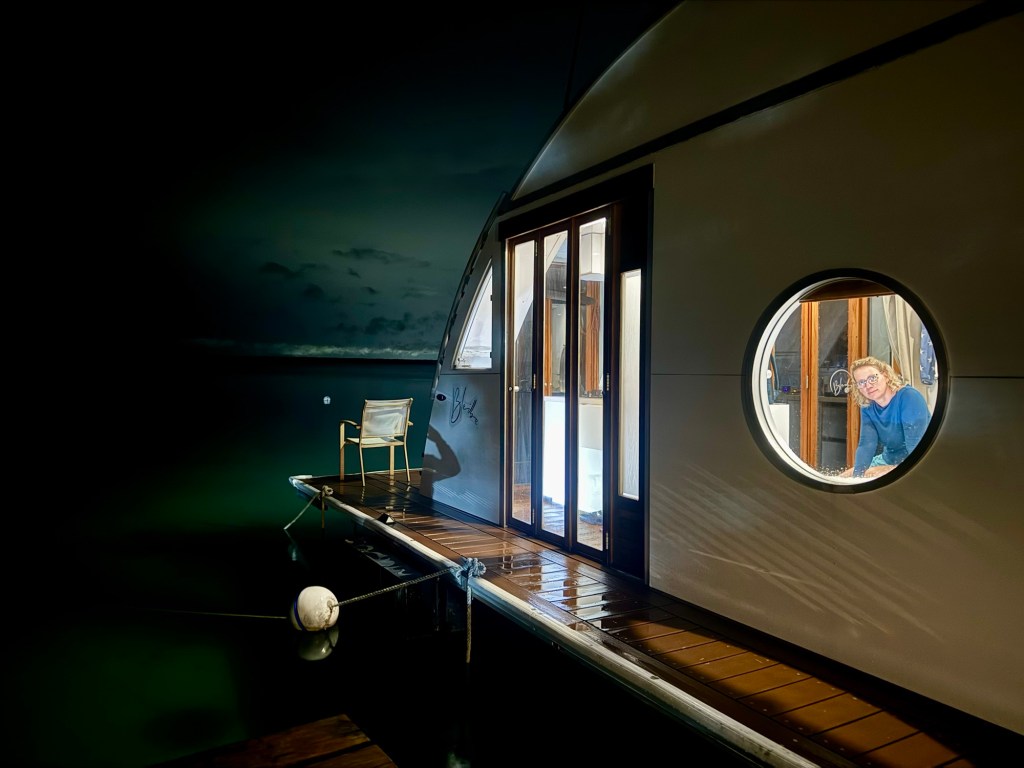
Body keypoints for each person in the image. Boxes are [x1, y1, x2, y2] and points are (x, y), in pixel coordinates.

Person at [841, 356, 931, 479]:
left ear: (886, 375)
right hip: (888, 459)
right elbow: (866, 445)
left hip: (917, 461)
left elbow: (915, 447)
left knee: (870, 474)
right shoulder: (867, 406)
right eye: (861, 382)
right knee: (843, 477)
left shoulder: (909, 397)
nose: (868, 385)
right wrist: (856, 479)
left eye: (872, 378)